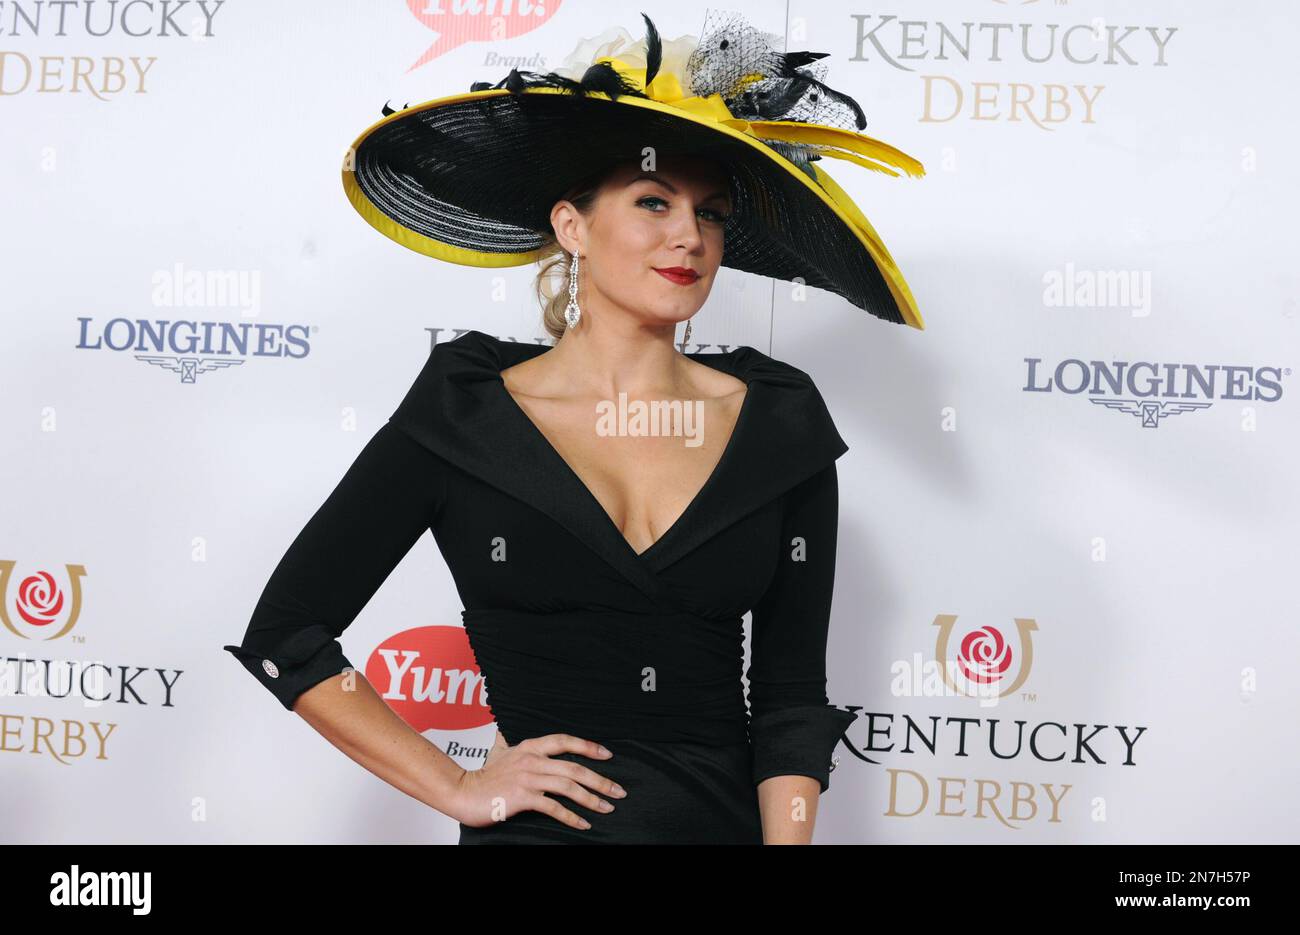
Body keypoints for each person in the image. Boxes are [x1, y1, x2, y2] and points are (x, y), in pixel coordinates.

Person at [224, 11, 926, 844]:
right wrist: (456, 784)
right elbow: (288, 635)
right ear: (572, 226)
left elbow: (788, 698)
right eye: (654, 200)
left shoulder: (781, 420)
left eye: (712, 214)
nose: (688, 237)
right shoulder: (468, 412)